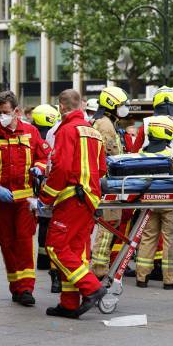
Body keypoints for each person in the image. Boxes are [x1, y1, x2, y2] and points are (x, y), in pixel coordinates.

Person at [38, 89, 107, 319]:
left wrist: (45, 197)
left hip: (70, 198)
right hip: (89, 199)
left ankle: (92, 288)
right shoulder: (93, 132)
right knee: (76, 252)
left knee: (55, 247)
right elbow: (102, 169)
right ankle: (69, 303)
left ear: (61, 106)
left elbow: (62, 168)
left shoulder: (66, 129)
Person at [0, 91, 50, 306]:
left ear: (17, 111)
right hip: (2, 201)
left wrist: (38, 169)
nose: (2, 116)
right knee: (6, 243)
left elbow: (43, 156)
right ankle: (16, 287)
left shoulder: (31, 132)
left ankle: (27, 288)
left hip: (25, 200)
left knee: (24, 242)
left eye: (6, 112)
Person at [135, 115, 173, 289]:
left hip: (147, 202)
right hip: (169, 203)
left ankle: (142, 277)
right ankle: (171, 280)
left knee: (148, 238)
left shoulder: (142, 154)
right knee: (171, 239)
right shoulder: (172, 154)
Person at [90, 87, 128, 279]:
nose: (125, 108)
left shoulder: (105, 122)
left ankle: (99, 264)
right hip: (107, 180)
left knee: (109, 222)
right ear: (112, 105)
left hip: (103, 179)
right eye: (122, 105)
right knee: (109, 223)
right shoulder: (105, 125)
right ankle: (99, 267)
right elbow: (112, 155)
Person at [30, 104, 62, 293]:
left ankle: (43, 260)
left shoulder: (35, 133)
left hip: (41, 183)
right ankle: (50, 262)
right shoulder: (53, 133)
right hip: (50, 184)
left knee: (43, 222)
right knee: (50, 223)